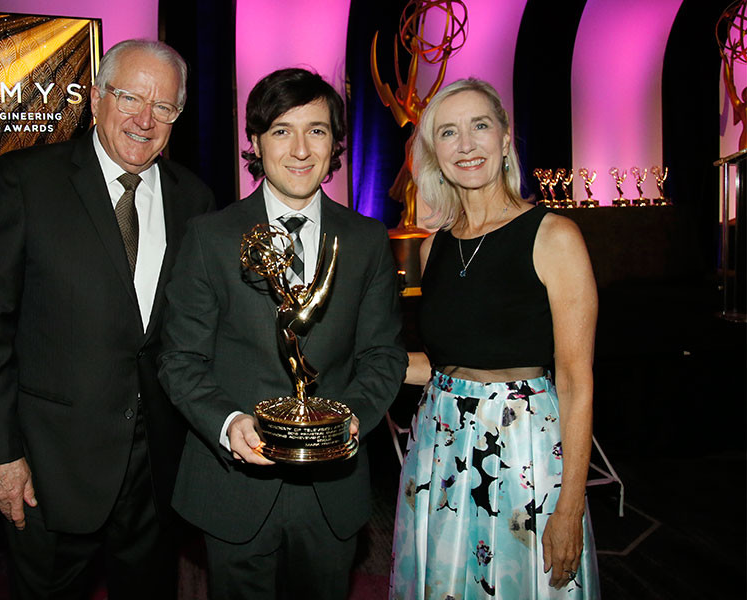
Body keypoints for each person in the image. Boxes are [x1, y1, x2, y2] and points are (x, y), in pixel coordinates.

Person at [0, 39, 214, 599]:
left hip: (156, 472)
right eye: (130, 97)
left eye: (164, 106)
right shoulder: (26, 181)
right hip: (49, 469)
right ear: (97, 97)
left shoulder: (194, 199)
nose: (145, 119)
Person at [158, 67, 407, 600]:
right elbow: (180, 359)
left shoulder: (365, 240)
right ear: (255, 141)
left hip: (332, 489)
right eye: (280, 130)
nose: (300, 149)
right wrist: (227, 424)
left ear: (336, 143)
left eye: (316, 130)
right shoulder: (209, 236)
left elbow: (383, 355)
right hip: (234, 486)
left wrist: (343, 425)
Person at [390, 78, 600, 599]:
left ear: (505, 139)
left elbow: (576, 381)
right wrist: (351, 359)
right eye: (449, 132)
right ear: (433, 153)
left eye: (480, 126)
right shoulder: (435, 246)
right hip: (438, 451)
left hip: (523, 452)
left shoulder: (554, 236)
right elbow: (441, 365)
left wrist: (570, 505)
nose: (466, 144)